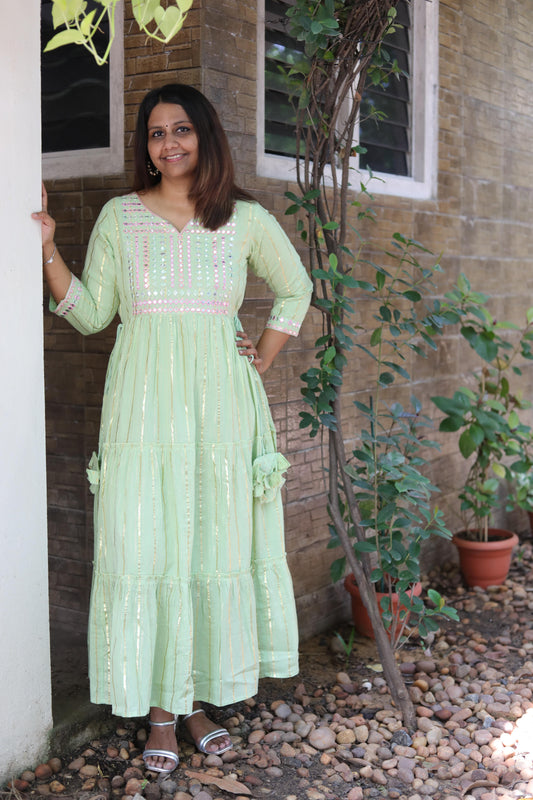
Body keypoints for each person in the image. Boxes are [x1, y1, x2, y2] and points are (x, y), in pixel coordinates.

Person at [33, 83, 312, 774]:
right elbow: (94, 313)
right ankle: (162, 710)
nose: (169, 144)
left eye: (181, 130)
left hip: (221, 409)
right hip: (142, 410)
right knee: (150, 543)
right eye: (155, 134)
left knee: (209, 540)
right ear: (145, 146)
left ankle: (193, 704)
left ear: (204, 135)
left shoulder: (242, 218)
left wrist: (263, 354)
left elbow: (295, 286)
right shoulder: (119, 217)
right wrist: (47, 247)